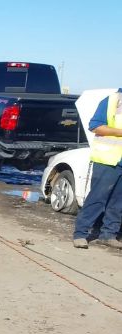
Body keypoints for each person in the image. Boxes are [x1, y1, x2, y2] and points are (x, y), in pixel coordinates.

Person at [73, 88, 122, 249]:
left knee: (118, 202)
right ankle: (80, 234)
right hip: (108, 159)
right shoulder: (112, 101)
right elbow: (95, 126)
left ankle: (109, 234)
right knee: (97, 198)